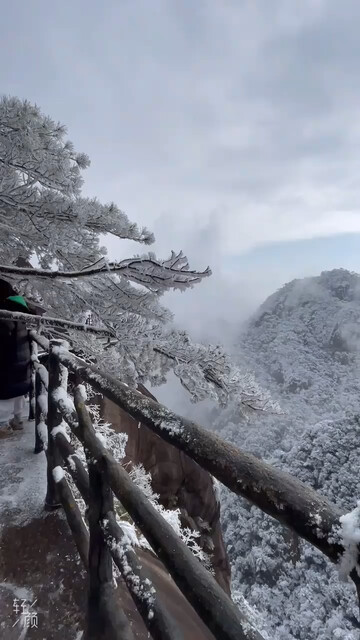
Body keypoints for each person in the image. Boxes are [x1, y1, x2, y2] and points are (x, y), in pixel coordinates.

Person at [0, 279, 33, 430]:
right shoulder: (20, 306)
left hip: (7, 359)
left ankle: (3, 426)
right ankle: (17, 420)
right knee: (17, 393)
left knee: (4, 396)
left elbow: (3, 333)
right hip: (21, 358)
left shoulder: (4, 309)